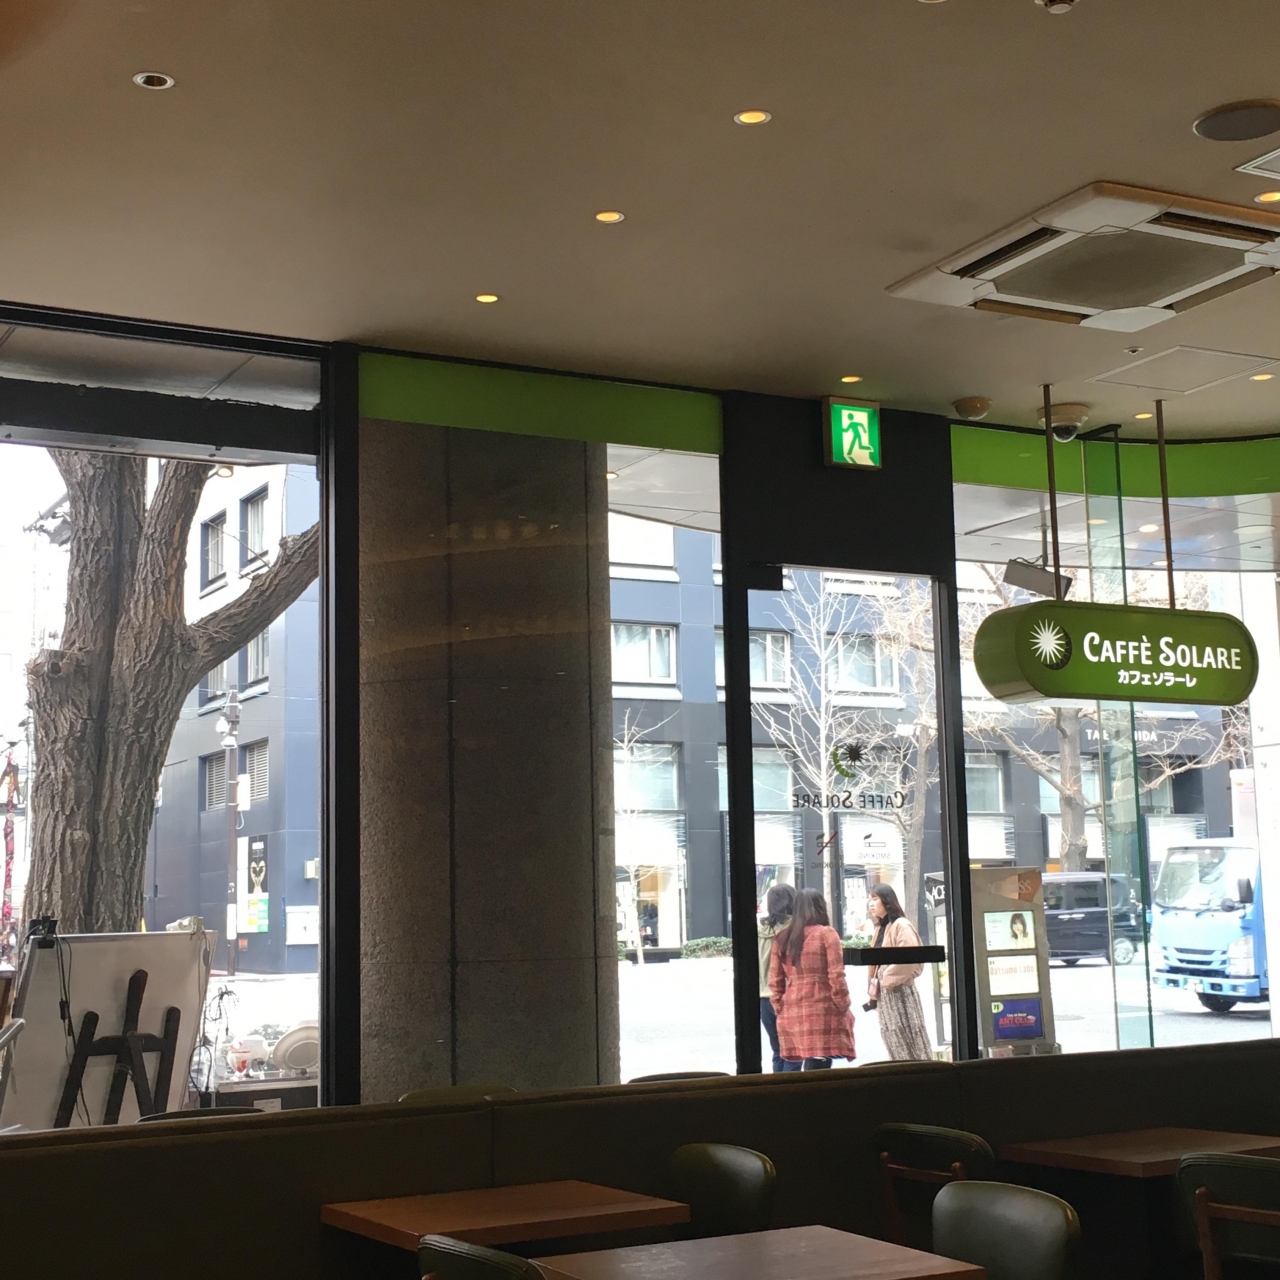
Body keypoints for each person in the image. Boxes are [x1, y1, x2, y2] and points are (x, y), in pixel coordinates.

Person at [768, 887, 855, 1071]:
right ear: (820, 907)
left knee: (801, 1062)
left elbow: (775, 980)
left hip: (792, 1008)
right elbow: (836, 974)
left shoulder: (783, 938)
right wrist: (843, 1004)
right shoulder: (827, 934)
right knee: (820, 1063)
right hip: (823, 1007)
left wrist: (779, 1006)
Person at [867, 883, 933, 1062]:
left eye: (874, 899)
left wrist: (886, 979)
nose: (870, 903)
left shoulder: (901, 925)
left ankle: (920, 1073)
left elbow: (911, 958)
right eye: (869, 899)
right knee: (893, 1038)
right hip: (886, 995)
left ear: (886, 901)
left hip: (900, 991)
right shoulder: (880, 927)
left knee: (909, 1038)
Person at [758, 883, 795, 1073]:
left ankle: (776, 1087)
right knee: (793, 1052)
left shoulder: (760, 931)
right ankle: (789, 1090)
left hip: (764, 999)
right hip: (787, 996)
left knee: (777, 1050)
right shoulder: (795, 930)